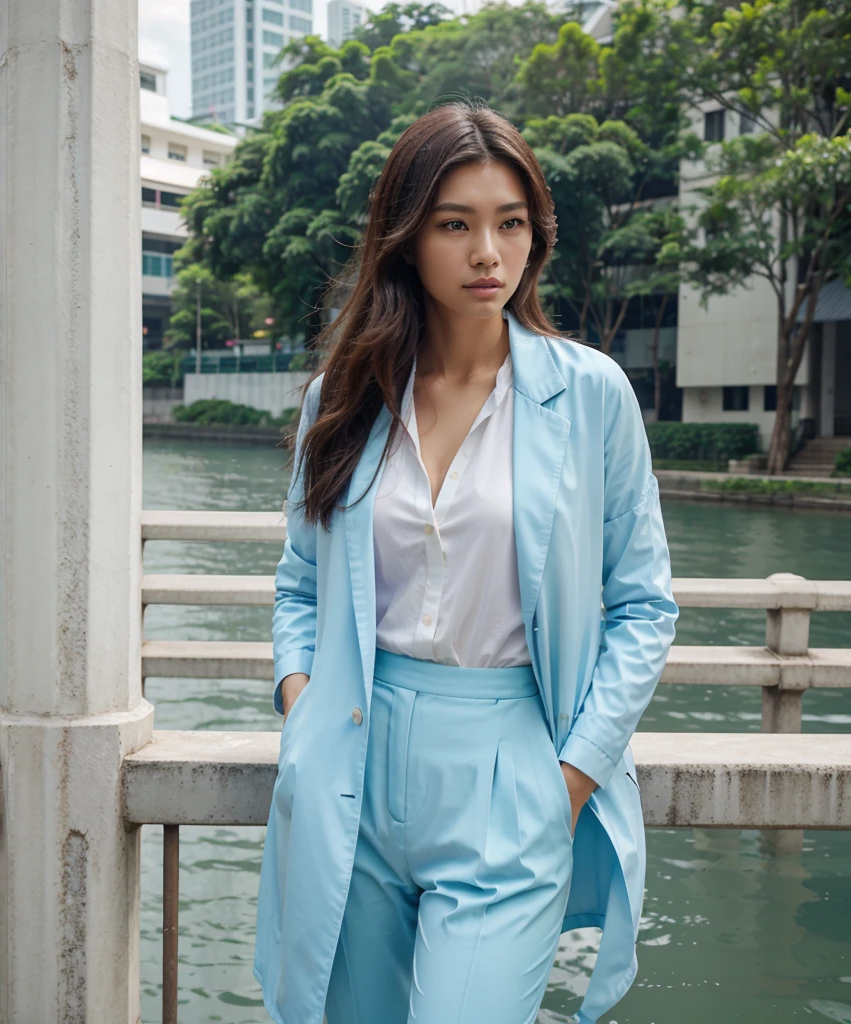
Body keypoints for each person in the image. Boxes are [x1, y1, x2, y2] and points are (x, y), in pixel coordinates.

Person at [253, 102, 678, 1024]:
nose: (488, 251)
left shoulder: (590, 394)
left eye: (510, 223)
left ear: (535, 237)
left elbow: (644, 607)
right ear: (406, 239)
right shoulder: (344, 397)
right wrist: (303, 707)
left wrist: (569, 778)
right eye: (456, 224)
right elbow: (299, 582)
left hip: (509, 767)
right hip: (352, 757)